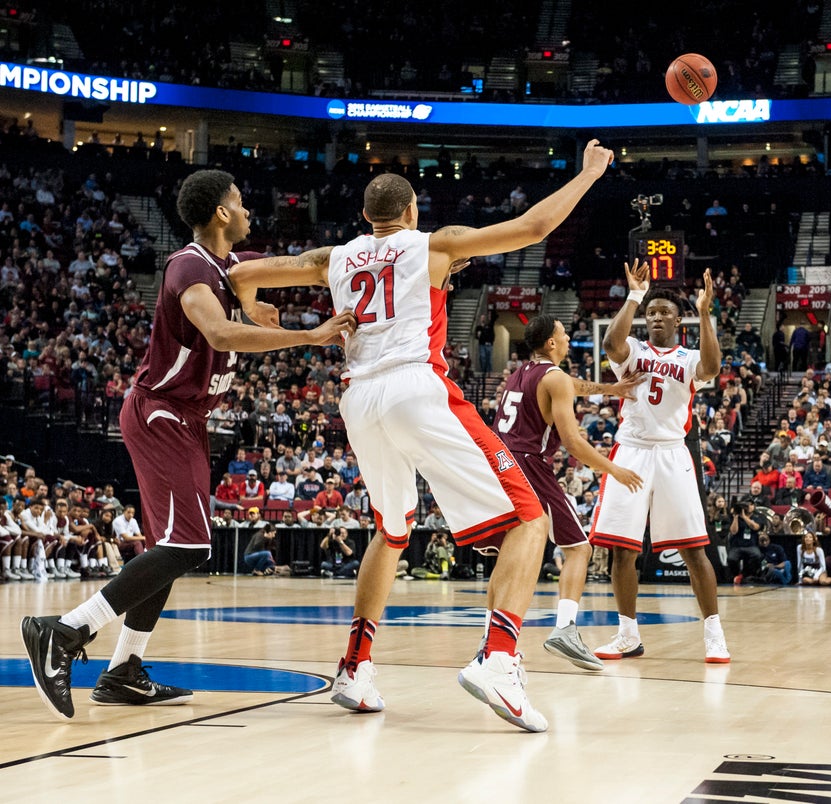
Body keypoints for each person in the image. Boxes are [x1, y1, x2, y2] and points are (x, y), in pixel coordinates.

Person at [227, 138, 617, 733]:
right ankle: (500, 659)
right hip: (416, 386)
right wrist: (590, 173)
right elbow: (535, 225)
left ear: (366, 218)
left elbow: (243, 274)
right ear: (411, 213)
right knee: (530, 518)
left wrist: (258, 315)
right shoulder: (434, 244)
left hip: (359, 399)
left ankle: (355, 670)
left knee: (391, 529)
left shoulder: (334, 256)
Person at [20, 168, 358, 720]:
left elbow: (310, 262)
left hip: (186, 420)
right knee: (190, 547)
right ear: (222, 212)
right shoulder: (190, 265)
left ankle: (125, 669)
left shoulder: (228, 270)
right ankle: (63, 632)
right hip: (161, 412)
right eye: (241, 202)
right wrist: (308, 334)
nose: (249, 211)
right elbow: (220, 335)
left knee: (168, 552)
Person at [589, 259, 731, 663]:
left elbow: (712, 367)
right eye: (651, 313)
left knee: (694, 550)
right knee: (621, 549)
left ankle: (714, 635)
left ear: (677, 321)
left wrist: (705, 314)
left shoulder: (688, 358)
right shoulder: (632, 351)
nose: (655, 318)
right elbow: (611, 345)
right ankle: (627, 634)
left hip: (672, 452)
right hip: (631, 450)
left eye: (663, 312)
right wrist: (635, 295)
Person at [493, 314, 642, 671]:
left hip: (499, 463)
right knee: (578, 548)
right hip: (529, 465)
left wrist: (611, 389)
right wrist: (614, 469)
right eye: (563, 334)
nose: (567, 339)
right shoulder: (554, 377)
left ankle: (492, 639)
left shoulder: (520, 373)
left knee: (509, 556)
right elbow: (573, 442)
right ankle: (565, 628)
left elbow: (569, 385)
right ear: (551, 343)